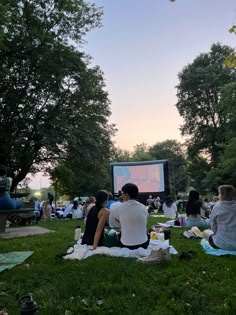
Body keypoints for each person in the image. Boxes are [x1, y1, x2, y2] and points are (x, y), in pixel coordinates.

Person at [109, 183, 149, 250]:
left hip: (126, 244)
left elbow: (116, 219)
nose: (122, 195)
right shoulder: (143, 207)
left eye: (122, 193)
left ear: (127, 195)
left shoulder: (119, 208)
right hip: (143, 244)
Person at [203, 185, 236, 250]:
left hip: (221, 244)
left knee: (206, 232)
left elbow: (213, 228)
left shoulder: (217, 207)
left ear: (221, 194)